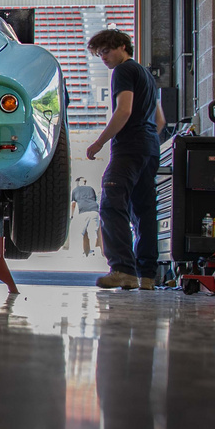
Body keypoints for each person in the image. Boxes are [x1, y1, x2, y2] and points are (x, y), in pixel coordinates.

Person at [85, 29, 166, 290]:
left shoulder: (123, 71)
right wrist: (147, 138)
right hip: (150, 147)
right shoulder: (147, 76)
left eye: (106, 51)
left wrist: (100, 142)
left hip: (130, 147)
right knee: (143, 211)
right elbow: (160, 120)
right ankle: (147, 275)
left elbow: (124, 110)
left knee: (111, 202)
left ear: (122, 46)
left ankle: (122, 268)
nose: (103, 59)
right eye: (99, 55)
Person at [70, 176, 101, 257]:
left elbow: (73, 204)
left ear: (77, 182)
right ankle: (93, 252)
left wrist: (72, 215)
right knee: (92, 232)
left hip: (83, 211)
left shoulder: (75, 190)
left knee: (80, 232)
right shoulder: (91, 189)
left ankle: (80, 252)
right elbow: (94, 200)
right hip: (95, 210)